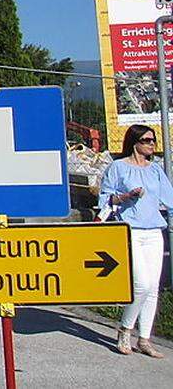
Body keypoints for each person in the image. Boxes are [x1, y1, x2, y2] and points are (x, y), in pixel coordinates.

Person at [99, 124, 173, 358]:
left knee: (153, 287)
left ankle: (145, 338)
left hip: (154, 230)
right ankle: (125, 329)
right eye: (147, 140)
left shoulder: (155, 170)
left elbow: (169, 198)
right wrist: (126, 196)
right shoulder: (118, 168)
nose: (152, 145)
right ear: (135, 142)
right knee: (141, 284)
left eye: (153, 141)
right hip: (130, 230)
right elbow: (105, 198)